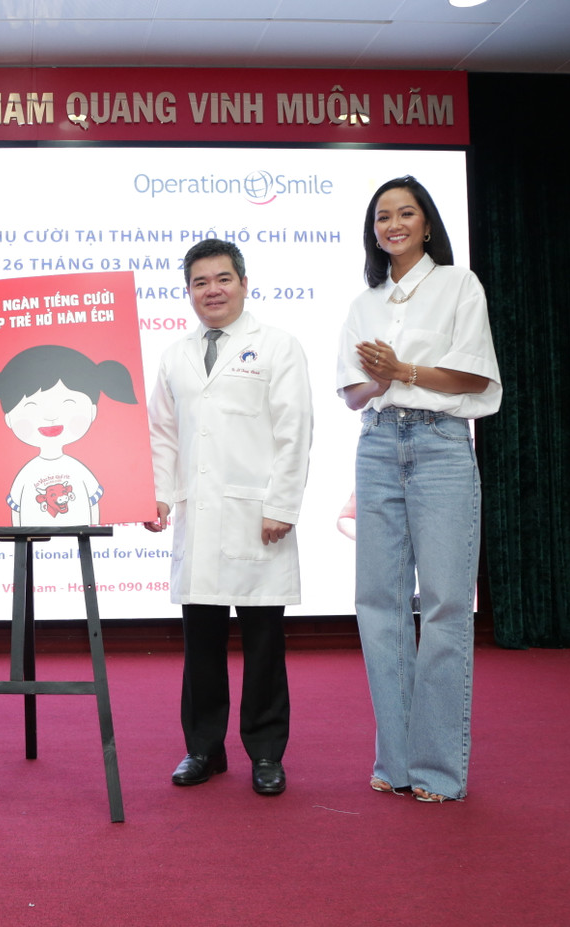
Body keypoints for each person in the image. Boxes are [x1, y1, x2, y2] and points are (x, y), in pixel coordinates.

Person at [336, 175, 501, 802]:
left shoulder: (460, 285)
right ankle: (397, 762)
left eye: (406, 214)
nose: (394, 225)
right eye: (383, 217)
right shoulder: (365, 301)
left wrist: (400, 369)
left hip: (440, 444)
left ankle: (437, 770)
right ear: (374, 231)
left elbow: (473, 377)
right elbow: (353, 394)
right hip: (378, 443)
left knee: (445, 605)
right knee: (378, 603)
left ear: (427, 224)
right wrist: (379, 381)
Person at [144, 238, 313, 795]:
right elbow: (163, 434)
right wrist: (158, 496)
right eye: (200, 282)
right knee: (201, 644)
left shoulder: (278, 346)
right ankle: (203, 750)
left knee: (263, 645)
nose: (211, 291)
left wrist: (282, 505)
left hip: (257, 517)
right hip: (199, 519)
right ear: (188, 292)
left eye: (222, 279)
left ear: (243, 283)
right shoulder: (175, 355)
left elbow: (294, 431)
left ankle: (266, 754)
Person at [0, 344, 137, 525]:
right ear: (8, 419)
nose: (51, 417)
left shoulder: (78, 469)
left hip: (80, 534)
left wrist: (92, 530)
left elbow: (93, 506)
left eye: (68, 403)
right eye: (31, 407)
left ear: (93, 411)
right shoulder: (26, 473)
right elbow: (16, 511)